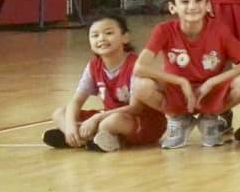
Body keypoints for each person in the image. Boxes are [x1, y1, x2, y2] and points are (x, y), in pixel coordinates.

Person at [130, 0, 240, 149]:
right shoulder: (163, 30)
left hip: (209, 91)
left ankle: (210, 118)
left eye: (198, 0)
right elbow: (139, 68)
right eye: (184, 1)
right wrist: (181, 82)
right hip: (177, 90)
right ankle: (178, 118)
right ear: (172, 8)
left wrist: (212, 82)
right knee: (139, 85)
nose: (192, 6)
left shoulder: (219, 29)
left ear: (207, 5)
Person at [45, 15, 166, 152]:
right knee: (60, 113)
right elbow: (76, 101)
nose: (101, 38)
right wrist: (69, 126)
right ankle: (76, 137)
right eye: (95, 35)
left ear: (125, 37)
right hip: (108, 117)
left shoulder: (135, 66)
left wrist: (96, 118)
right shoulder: (93, 67)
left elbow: (135, 108)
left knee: (110, 122)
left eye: (108, 33)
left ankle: (91, 137)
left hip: (142, 123)